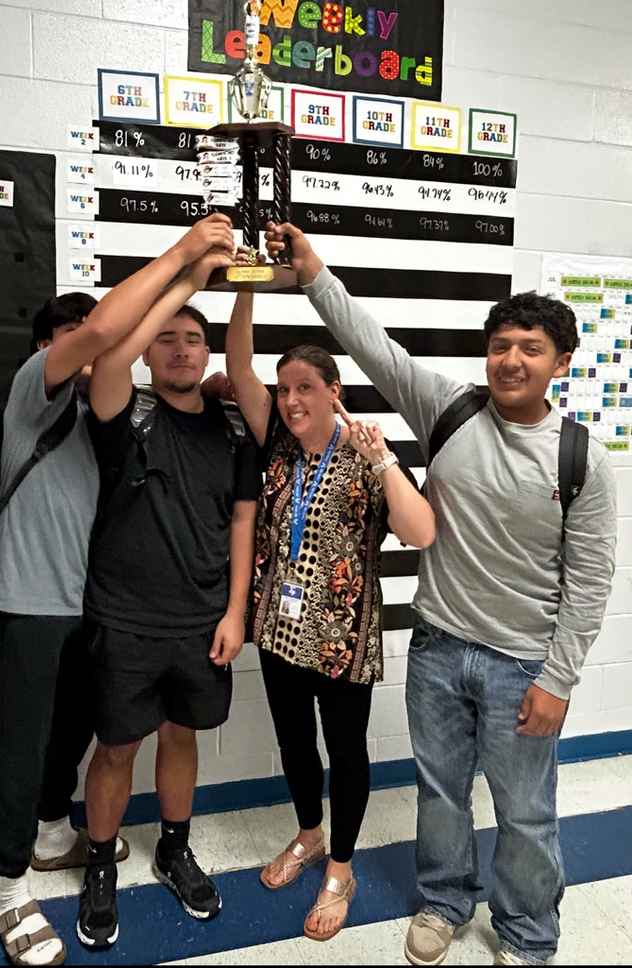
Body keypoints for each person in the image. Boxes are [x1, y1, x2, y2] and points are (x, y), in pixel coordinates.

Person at [263, 223, 617, 966]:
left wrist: (559, 677)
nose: (512, 360)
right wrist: (315, 273)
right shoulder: (450, 409)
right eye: (502, 345)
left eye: (531, 348)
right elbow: (373, 345)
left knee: (524, 813)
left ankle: (526, 933)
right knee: (440, 793)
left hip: (522, 663)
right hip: (437, 649)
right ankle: (445, 900)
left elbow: (589, 581)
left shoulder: (581, 458)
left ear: (561, 362)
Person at [0, 213, 235, 968]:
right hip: (25, 604)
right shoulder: (37, 392)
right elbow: (109, 335)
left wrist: (198, 295)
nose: (100, 349)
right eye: (82, 342)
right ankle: (9, 889)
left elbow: (137, 350)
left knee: (76, 731)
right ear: (52, 352)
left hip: (86, 610)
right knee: (19, 747)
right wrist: (184, 253)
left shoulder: (107, 419)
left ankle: (56, 830)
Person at [224, 291, 435, 942]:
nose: (291, 399)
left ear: (334, 390)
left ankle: (340, 868)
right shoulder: (280, 444)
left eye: (306, 387)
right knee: (293, 743)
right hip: (280, 633)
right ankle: (309, 837)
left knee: (345, 753)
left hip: (345, 640)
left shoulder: (368, 454)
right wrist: (246, 284)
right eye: (285, 388)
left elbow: (422, 530)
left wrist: (384, 459)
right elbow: (236, 367)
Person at [76, 251, 262, 950]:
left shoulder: (232, 427)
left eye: (193, 339)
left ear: (207, 352)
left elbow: (243, 521)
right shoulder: (124, 413)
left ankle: (173, 849)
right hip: (123, 619)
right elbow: (111, 353)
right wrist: (186, 276)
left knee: (180, 737)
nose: (181, 350)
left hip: (202, 621)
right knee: (117, 746)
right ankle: (101, 864)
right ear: (148, 352)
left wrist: (236, 611)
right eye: (167, 338)